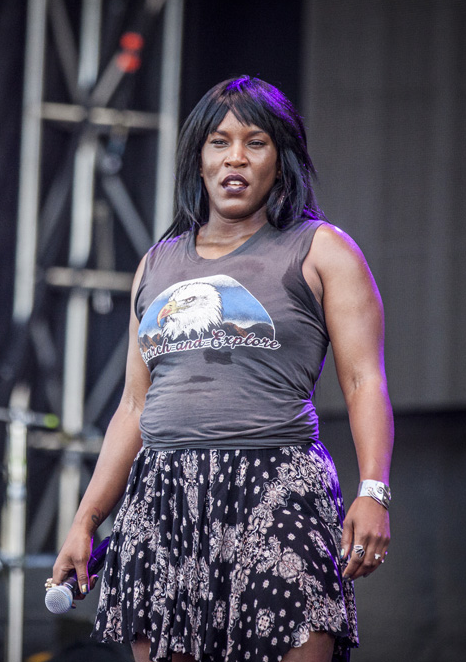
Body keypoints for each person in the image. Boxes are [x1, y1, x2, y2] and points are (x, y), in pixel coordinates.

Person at [49, 76, 393, 662]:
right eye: (218, 142)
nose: (235, 157)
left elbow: (364, 381)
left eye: (254, 142)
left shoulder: (322, 249)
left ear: (280, 160)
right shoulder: (156, 264)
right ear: (198, 160)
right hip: (164, 495)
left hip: (278, 487)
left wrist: (374, 491)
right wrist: (85, 519)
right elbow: (134, 406)